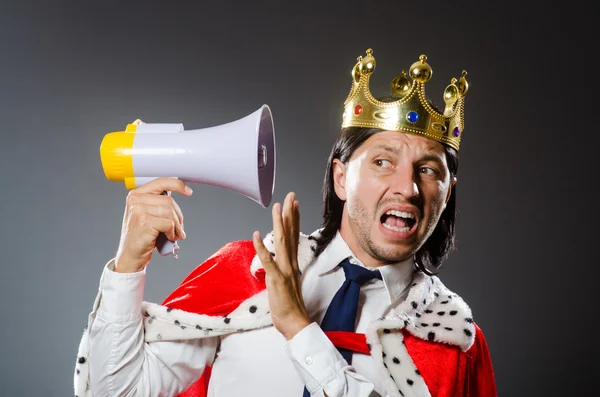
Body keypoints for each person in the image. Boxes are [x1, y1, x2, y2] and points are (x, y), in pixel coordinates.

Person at [74, 49, 497, 397]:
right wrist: (128, 266)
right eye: (383, 161)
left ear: (447, 192)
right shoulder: (247, 272)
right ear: (341, 178)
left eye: (428, 170)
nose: (407, 187)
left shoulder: (456, 344)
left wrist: (299, 327)